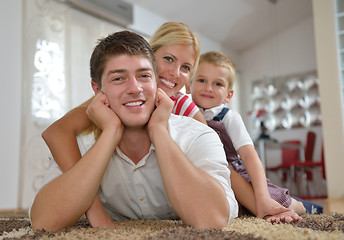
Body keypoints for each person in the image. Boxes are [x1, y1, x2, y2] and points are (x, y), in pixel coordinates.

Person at [29, 31, 238, 232]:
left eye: (144, 75)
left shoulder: (199, 135)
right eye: (118, 78)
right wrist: (110, 133)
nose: (135, 88)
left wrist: (159, 131)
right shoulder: (79, 143)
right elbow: (44, 222)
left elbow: (213, 219)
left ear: (156, 82)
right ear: (97, 90)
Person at [188, 51, 323, 221]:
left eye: (218, 84)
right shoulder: (186, 115)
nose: (208, 88)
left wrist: (262, 196)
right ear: (189, 84)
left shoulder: (229, 117)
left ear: (229, 95)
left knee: (276, 202)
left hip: (235, 173)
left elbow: (249, 156)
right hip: (207, 174)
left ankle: (306, 206)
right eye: (202, 80)